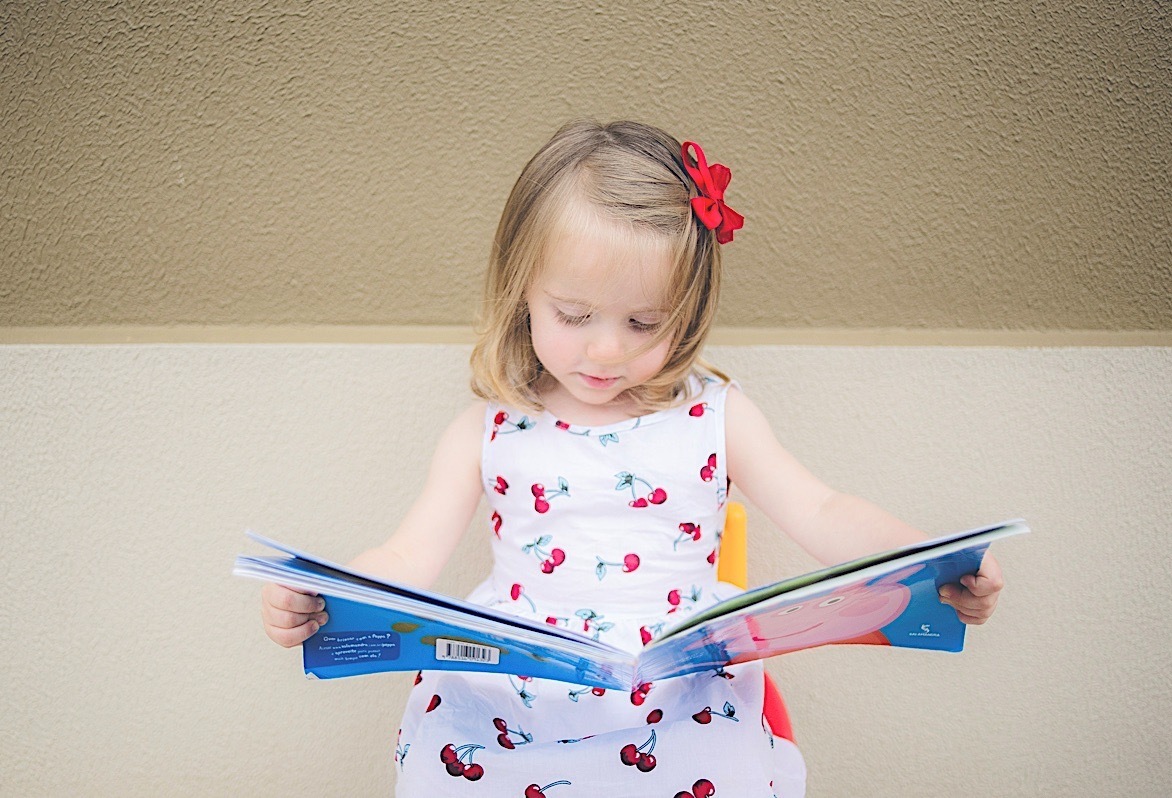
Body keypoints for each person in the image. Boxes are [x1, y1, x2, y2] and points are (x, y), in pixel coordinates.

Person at [260, 119, 1004, 796]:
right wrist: (329, 596)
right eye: (574, 315)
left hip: (679, 705)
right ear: (523, 290)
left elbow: (821, 509)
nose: (606, 349)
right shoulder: (486, 431)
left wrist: (924, 558)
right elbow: (406, 557)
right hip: (511, 708)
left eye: (644, 322)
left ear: (688, 309)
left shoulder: (717, 417)